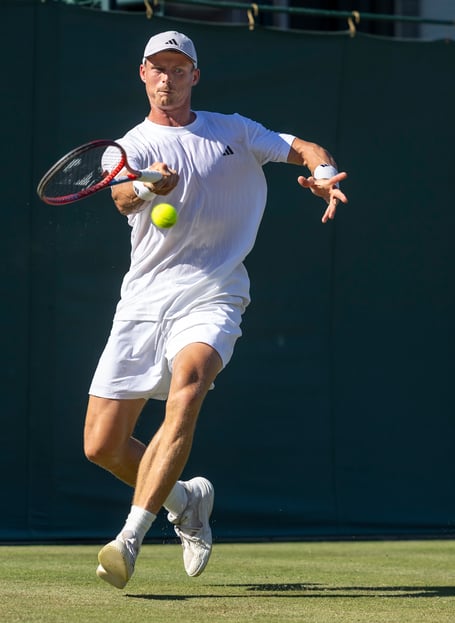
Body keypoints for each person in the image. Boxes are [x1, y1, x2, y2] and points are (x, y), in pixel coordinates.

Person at [83, 30, 348, 589]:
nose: (168, 78)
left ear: (194, 76)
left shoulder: (235, 130)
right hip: (144, 300)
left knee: (191, 378)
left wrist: (322, 176)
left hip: (215, 291)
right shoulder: (125, 147)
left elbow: (303, 147)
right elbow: (121, 197)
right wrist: (151, 187)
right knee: (101, 445)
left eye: (179, 69)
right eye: (158, 68)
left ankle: (129, 537)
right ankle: (187, 500)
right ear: (143, 73)